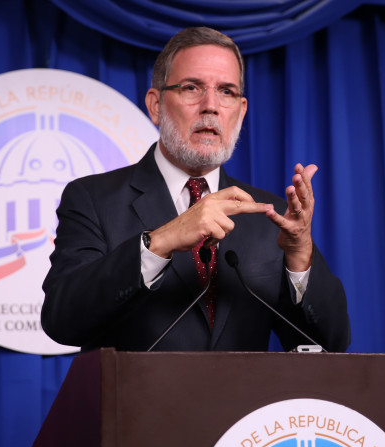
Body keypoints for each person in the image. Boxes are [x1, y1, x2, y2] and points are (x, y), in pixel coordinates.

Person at [41, 27, 350, 352]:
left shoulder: (267, 214)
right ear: (156, 105)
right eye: (192, 87)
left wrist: (299, 257)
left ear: (241, 111)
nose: (211, 106)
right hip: (136, 387)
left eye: (227, 91)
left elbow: (330, 344)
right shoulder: (93, 198)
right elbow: (62, 320)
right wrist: (159, 242)